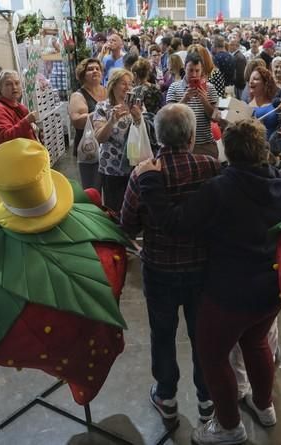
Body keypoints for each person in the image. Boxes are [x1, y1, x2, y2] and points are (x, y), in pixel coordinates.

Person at [134, 118, 281, 445]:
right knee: (256, 343)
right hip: (271, 286)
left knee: (212, 355)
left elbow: (175, 224)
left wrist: (150, 182)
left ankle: (228, 426)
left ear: (227, 151)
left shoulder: (221, 188)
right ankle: (264, 407)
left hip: (230, 291)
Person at [121, 104, 220, 424]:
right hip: (202, 267)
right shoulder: (210, 166)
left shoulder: (143, 173)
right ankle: (207, 400)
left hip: (159, 268)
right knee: (203, 335)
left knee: (162, 334)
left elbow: (128, 225)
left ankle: (166, 396)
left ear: (158, 136)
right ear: (191, 136)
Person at [92, 68, 142, 212]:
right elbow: (100, 138)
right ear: (113, 85)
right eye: (123, 84)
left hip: (134, 164)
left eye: (130, 84)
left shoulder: (137, 106)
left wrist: (139, 118)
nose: (128, 87)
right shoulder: (102, 107)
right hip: (111, 168)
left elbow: (145, 133)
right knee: (114, 208)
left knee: (133, 210)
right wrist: (112, 121)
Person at [166, 52, 219, 158]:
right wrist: (184, 99)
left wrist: (205, 101)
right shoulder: (174, 87)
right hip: (180, 147)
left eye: (197, 70)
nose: (194, 75)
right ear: (184, 68)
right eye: (190, 70)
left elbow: (215, 118)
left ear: (202, 70)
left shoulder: (210, 88)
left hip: (205, 145)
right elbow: (168, 118)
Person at [69, 58, 107, 189]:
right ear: (82, 75)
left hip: (108, 147)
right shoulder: (78, 96)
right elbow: (77, 121)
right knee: (93, 188)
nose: (95, 71)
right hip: (89, 149)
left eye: (97, 69)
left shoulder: (107, 91)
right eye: (90, 69)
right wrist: (102, 111)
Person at [0, 70, 38, 148]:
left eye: (17, 83)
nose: (14, 87)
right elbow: (6, 137)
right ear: (0, 88)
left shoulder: (19, 107)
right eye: (8, 84)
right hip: (13, 158)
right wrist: (27, 121)